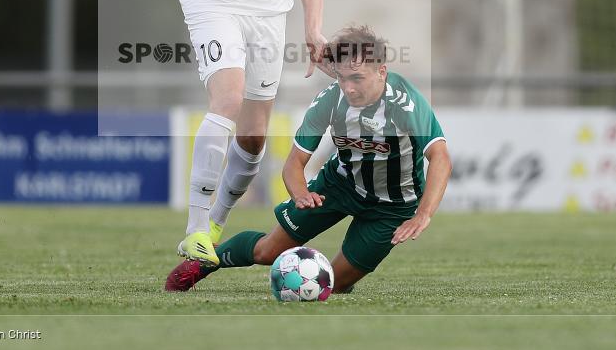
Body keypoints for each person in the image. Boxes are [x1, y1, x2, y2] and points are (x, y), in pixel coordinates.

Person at [85, 0, 328, 267]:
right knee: (227, 98)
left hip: (266, 12)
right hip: (207, 4)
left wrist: (313, 30)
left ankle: (216, 221)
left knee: (253, 139)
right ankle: (195, 230)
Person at [164, 25, 452, 294]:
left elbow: (440, 158)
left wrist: (423, 214)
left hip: (393, 207)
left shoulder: (405, 104)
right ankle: (206, 261)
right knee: (266, 251)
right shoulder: (330, 100)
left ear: (382, 72)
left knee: (331, 285)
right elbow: (294, 164)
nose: (348, 88)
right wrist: (301, 194)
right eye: (341, 77)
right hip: (339, 186)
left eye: (357, 78)